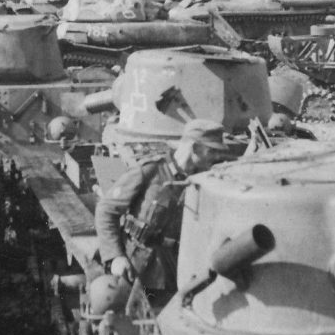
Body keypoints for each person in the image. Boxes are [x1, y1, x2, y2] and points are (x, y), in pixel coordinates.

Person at [95, 119, 233, 289]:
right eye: (211, 151)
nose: (217, 157)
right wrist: (115, 257)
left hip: (175, 266)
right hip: (135, 265)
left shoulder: (203, 181)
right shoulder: (151, 170)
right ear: (195, 148)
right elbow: (106, 210)